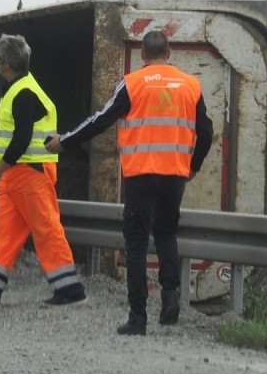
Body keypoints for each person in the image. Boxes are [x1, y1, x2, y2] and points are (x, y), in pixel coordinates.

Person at [46, 30, 213, 336]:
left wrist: (65, 142)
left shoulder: (133, 83)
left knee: (136, 243)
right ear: (170, 53)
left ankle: (138, 317)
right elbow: (207, 131)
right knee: (166, 235)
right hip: (175, 174)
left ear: (142, 56)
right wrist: (193, 166)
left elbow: (100, 120)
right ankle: (170, 296)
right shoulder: (191, 85)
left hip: (140, 175)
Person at [0, 34, 86, 310]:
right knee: (6, 234)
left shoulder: (22, 92)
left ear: (3, 63)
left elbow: (21, 138)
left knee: (46, 229)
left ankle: (70, 290)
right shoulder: (19, 88)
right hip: (20, 174)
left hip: (28, 172)